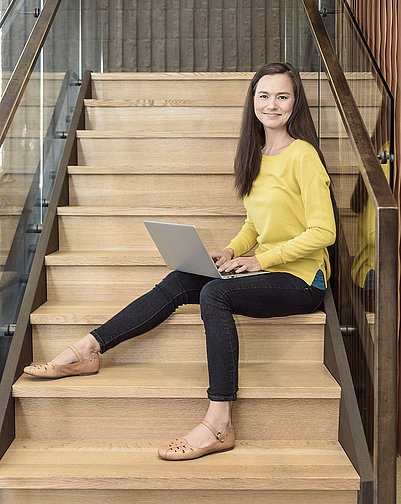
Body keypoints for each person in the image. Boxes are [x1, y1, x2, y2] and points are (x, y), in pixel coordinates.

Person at [24, 61, 336, 461]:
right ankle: (89, 348)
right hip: (267, 267)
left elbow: (322, 233)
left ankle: (219, 421)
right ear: (252, 101)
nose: (271, 104)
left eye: (282, 96)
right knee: (181, 278)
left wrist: (260, 261)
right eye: (263, 95)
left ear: (296, 103)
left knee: (215, 295)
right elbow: (255, 224)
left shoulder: (304, 156)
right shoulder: (257, 155)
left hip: (303, 280)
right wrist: (233, 251)